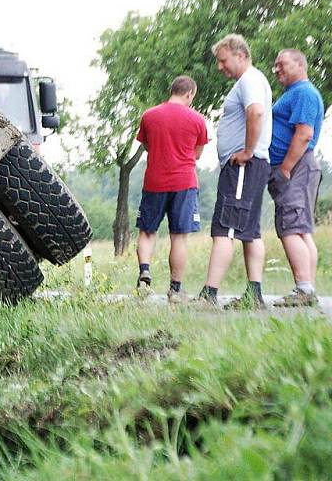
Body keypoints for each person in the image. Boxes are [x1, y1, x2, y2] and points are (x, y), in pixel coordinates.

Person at [198, 34, 272, 308]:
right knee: (249, 231)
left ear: (240, 55)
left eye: (223, 60)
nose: (220, 67)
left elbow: (256, 113)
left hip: (244, 164)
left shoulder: (250, 79)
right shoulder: (251, 80)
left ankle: (209, 294)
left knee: (225, 229)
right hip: (250, 165)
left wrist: (247, 151)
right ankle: (255, 294)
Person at [135, 75, 208, 303]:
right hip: (184, 184)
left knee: (147, 232)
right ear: (189, 94)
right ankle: (176, 289)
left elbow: (147, 145)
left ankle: (144, 271)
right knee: (179, 237)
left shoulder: (149, 116)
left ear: (172, 90)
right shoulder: (197, 119)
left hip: (155, 181)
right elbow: (197, 154)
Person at [268, 48, 325, 307]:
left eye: (282, 64)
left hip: (296, 166)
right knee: (301, 228)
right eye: (276, 66)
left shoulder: (303, 92)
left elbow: (303, 133)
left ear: (300, 65)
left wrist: (285, 168)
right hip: (298, 166)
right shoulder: (295, 93)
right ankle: (307, 288)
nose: (277, 69)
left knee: (290, 226)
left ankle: (303, 289)